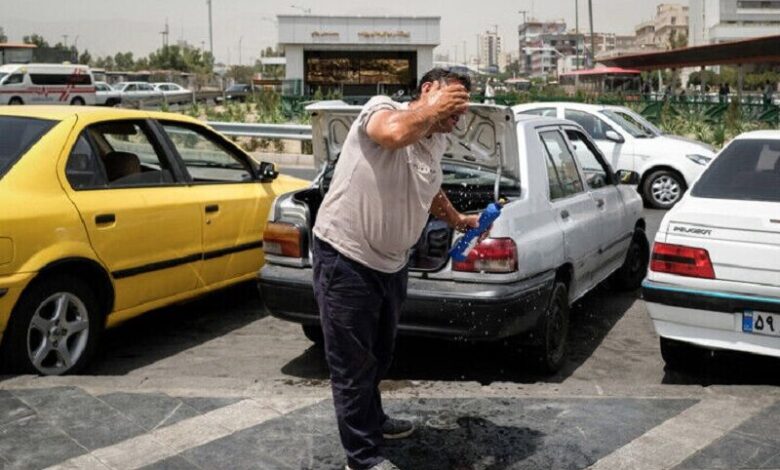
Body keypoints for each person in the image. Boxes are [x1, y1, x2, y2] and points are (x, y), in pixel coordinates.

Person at [312, 68, 481, 470]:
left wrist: (457, 219)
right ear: (429, 89)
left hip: (391, 264)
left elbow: (429, 186)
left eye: (462, 108)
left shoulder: (435, 139)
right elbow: (393, 134)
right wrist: (434, 108)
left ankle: (373, 420)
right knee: (352, 364)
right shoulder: (381, 108)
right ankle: (362, 458)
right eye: (453, 101)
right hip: (346, 258)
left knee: (380, 354)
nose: (457, 114)